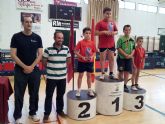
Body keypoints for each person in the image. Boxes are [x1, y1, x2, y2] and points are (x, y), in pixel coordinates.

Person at [10, 16, 43, 124]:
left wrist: (31, 67)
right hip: (20, 70)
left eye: (30, 22)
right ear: (23, 23)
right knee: (19, 94)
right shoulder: (16, 37)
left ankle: (32, 113)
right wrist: (25, 67)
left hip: (34, 70)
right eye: (26, 22)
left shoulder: (37, 38)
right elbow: (13, 55)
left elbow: (40, 54)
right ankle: (18, 116)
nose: (29, 24)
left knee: (34, 93)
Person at [42, 31, 71, 123]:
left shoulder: (66, 49)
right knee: (49, 96)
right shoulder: (48, 49)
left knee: (60, 95)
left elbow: (69, 60)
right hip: (51, 78)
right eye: (59, 38)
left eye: (62, 38)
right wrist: (52, 68)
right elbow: (44, 61)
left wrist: (62, 67)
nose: (61, 40)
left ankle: (60, 111)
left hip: (62, 77)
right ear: (54, 38)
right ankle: (46, 114)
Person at [95, 7, 118, 80]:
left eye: (110, 14)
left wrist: (113, 33)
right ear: (103, 14)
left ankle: (111, 73)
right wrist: (104, 32)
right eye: (107, 14)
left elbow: (116, 31)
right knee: (103, 59)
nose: (108, 15)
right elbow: (95, 33)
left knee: (111, 59)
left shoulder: (113, 23)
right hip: (102, 44)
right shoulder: (99, 23)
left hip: (111, 44)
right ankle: (102, 73)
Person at [74, 27, 96, 97]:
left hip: (90, 62)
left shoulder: (92, 43)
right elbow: (75, 51)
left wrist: (92, 57)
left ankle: (89, 90)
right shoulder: (80, 42)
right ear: (83, 34)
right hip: (81, 62)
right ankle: (78, 90)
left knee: (89, 76)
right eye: (86, 33)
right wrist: (82, 57)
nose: (88, 34)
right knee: (80, 76)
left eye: (89, 33)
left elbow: (94, 52)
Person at [116, 24, 135, 92]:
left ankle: (124, 85)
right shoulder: (121, 39)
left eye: (129, 30)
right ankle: (119, 84)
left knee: (127, 72)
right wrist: (125, 54)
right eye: (126, 30)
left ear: (130, 31)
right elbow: (118, 47)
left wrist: (130, 55)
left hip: (129, 59)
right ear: (123, 31)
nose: (127, 31)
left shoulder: (132, 39)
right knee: (121, 72)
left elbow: (133, 49)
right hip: (121, 58)